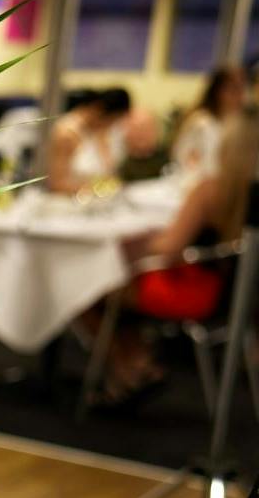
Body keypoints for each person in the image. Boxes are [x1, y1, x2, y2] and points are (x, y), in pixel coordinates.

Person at [89, 111, 259, 405]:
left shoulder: (210, 189)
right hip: (236, 296)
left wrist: (138, 242)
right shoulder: (246, 192)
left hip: (195, 293)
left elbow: (169, 248)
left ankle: (128, 367)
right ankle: (134, 360)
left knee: (92, 287)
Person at [46, 87, 131, 194]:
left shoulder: (101, 130)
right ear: (98, 111)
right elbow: (56, 184)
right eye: (112, 121)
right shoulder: (66, 133)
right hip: (70, 201)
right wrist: (95, 189)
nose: (111, 126)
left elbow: (110, 171)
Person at [171, 66, 246, 175]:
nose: (240, 96)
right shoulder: (202, 123)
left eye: (242, 89)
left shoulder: (238, 122)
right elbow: (182, 158)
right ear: (218, 92)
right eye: (233, 90)